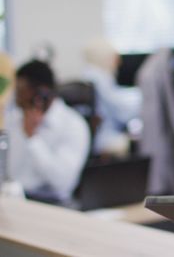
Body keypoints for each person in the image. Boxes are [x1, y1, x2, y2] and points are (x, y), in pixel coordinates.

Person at [5, 60, 90, 203]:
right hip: (16, 199)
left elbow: (62, 182)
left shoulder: (73, 126)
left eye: (21, 92)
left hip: (54, 204)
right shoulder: (14, 119)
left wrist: (32, 138)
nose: (16, 99)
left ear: (42, 94)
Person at [82, 37, 141, 156]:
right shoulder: (98, 77)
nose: (119, 62)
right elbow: (122, 111)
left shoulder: (91, 74)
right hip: (103, 138)